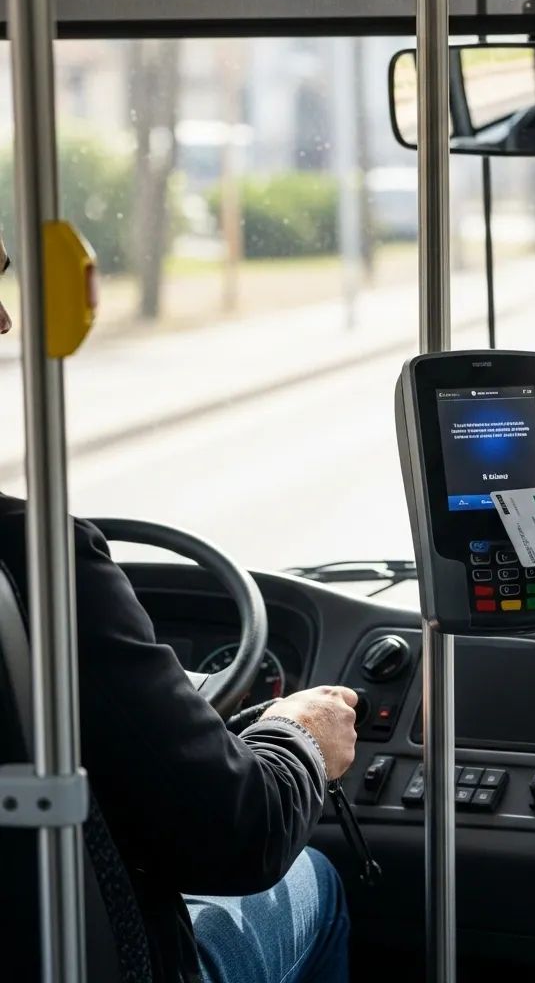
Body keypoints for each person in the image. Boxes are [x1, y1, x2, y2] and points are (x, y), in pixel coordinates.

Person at [1, 278, 359, 980]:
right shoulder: (33, 559)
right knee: (313, 877)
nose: (5, 319)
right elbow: (238, 834)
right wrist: (298, 738)